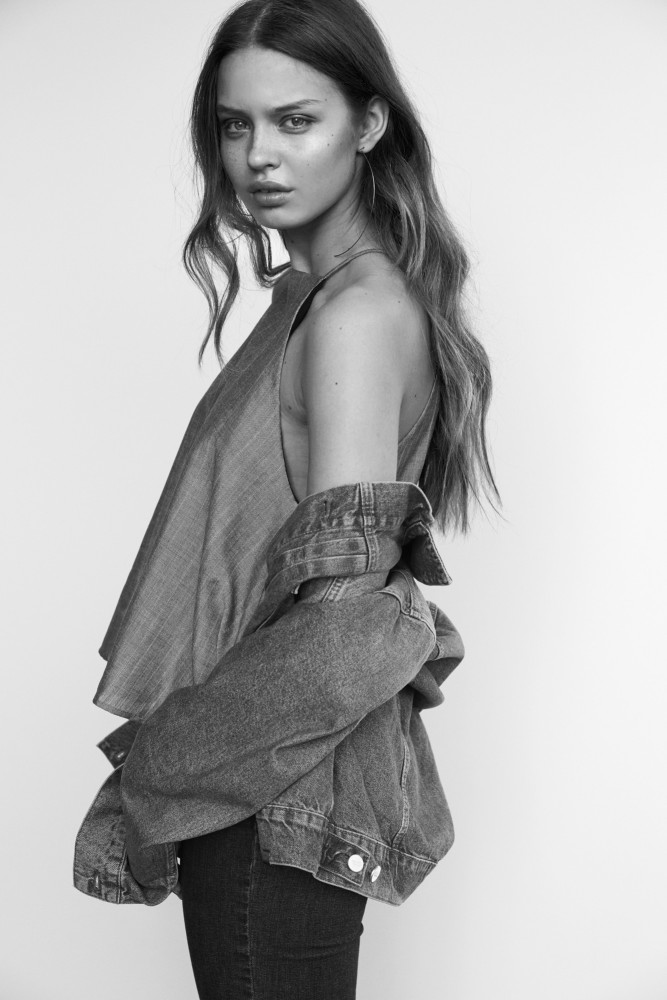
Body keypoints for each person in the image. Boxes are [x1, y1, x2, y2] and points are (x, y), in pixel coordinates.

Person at [78, 0, 499, 997]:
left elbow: (345, 622)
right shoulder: (320, 299)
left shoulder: (355, 313)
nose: (259, 155)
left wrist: (160, 763)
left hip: (273, 795)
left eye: (295, 120)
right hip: (269, 785)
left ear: (369, 122)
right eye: (236, 125)